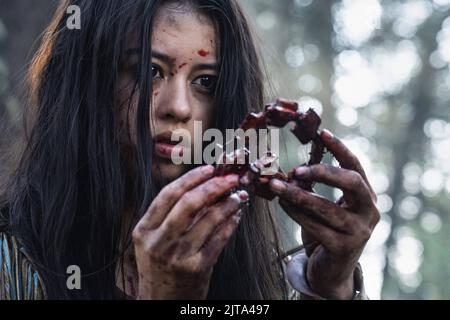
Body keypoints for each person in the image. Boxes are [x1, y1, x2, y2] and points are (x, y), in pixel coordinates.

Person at [0, 0, 379, 300]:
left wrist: (330, 284)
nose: (179, 107)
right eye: (149, 71)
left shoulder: (252, 274)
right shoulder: (11, 263)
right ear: (88, 83)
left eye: (204, 82)